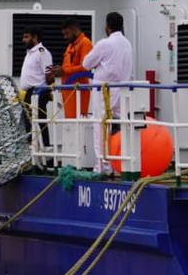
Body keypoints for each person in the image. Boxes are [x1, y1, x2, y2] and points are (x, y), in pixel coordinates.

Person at [82, 12, 133, 175]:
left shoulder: (105, 43)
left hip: (105, 91)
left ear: (107, 26)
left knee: (101, 126)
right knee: (120, 127)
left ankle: (102, 166)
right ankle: (119, 166)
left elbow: (86, 63)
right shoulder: (127, 44)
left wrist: (98, 66)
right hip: (122, 90)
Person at [47, 18, 93, 119]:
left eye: (67, 33)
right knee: (69, 124)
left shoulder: (85, 43)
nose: (65, 37)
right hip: (68, 90)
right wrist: (58, 71)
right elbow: (68, 66)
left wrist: (64, 71)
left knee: (77, 123)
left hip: (79, 90)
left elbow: (85, 67)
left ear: (74, 29)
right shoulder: (71, 45)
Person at [18, 27, 53, 147]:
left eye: (26, 37)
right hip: (29, 93)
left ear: (35, 37)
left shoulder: (42, 53)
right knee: (29, 123)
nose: (24, 40)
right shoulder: (30, 53)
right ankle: (33, 152)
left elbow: (49, 75)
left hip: (38, 92)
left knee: (39, 122)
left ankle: (44, 151)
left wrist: (46, 91)